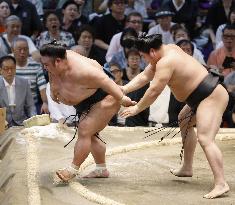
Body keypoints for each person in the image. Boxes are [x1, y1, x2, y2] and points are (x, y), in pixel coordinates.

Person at [120, 34, 230, 199]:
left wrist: (137, 108)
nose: (143, 60)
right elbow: (144, 77)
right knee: (184, 120)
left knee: (205, 138)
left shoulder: (166, 61)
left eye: (143, 57)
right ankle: (187, 167)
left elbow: (154, 91)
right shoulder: (166, 51)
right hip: (199, 98)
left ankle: (221, 183)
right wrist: (122, 89)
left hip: (211, 96)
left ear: (151, 51)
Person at [39, 41, 136, 181]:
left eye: (46, 64)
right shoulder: (55, 62)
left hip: (105, 96)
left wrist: (122, 99)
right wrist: (54, 90)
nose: (44, 67)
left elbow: (107, 82)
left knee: (84, 130)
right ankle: (101, 169)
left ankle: (72, 170)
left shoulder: (84, 70)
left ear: (58, 61)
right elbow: (52, 72)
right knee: (91, 135)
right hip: (85, 100)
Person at [0, 55, 36, 126]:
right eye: (6, 69)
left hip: (21, 123)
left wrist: (34, 119)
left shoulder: (24, 83)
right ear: (0, 70)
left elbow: (30, 106)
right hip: (3, 125)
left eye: (12, 68)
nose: (9, 71)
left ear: (15, 68)